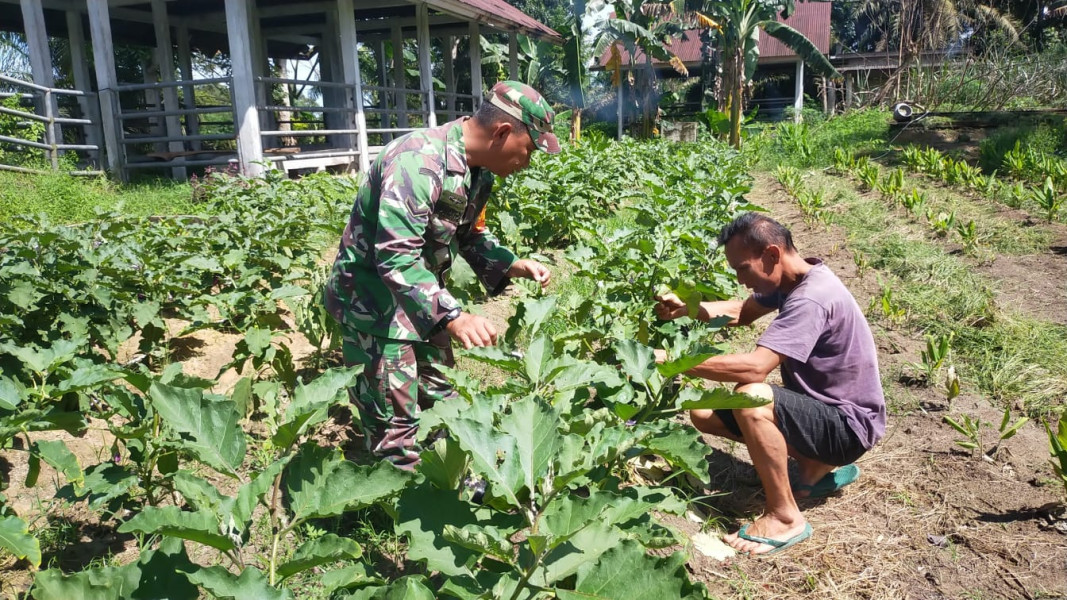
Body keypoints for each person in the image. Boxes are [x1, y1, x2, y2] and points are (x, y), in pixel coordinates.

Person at [325, 81, 558, 469]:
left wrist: (509, 263)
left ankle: (449, 477)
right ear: (502, 132)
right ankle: (402, 508)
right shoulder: (418, 160)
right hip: (374, 305)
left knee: (441, 397)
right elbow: (395, 255)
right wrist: (453, 316)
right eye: (529, 149)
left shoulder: (476, 171)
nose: (527, 162)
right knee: (393, 420)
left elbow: (466, 233)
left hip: (421, 300)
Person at [653, 212, 885, 556]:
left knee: (752, 397)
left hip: (848, 428)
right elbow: (740, 313)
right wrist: (688, 308)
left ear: (772, 255)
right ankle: (812, 472)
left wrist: (674, 363)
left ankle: (785, 516)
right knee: (703, 412)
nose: (740, 279)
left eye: (743, 268)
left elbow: (755, 369)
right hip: (827, 413)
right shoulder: (792, 280)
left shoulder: (811, 297)